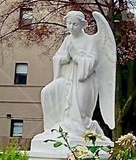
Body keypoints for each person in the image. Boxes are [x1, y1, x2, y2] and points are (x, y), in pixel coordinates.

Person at [38, 11, 115, 144]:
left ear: (82, 25)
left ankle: (87, 130)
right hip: (67, 78)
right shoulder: (68, 39)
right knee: (47, 92)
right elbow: (57, 57)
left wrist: (76, 56)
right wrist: (65, 58)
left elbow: (92, 62)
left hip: (84, 80)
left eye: (75, 24)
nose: (71, 27)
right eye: (68, 24)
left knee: (79, 115)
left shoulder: (90, 41)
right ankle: (53, 130)